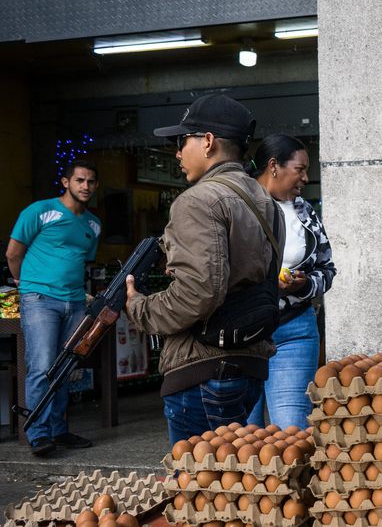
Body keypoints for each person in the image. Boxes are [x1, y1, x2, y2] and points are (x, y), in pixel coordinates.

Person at [124, 94, 283, 444]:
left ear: (208, 141)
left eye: (183, 141)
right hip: (249, 364)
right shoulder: (265, 202)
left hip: (204, 368)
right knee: (228, 488)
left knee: (197, 489)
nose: (178, 153)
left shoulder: (197, 201)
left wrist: (139, 307)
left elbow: (199, 292)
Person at [6, 160, 101, 456]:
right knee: (42, 366)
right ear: (66, 182)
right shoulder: (39, 211)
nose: (85, 186)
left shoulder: (93, 224)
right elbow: (13, 253)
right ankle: (38, 434)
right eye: (79, 180)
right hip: (40, 300)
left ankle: (59, 431)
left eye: (90, 182)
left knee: (64, 367)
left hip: (74, 301)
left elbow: (83, 261)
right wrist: (27, 285)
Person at [245, 134, 337, 430]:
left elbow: (327, 269)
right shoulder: (237, 206)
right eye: (300, 169)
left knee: (291, 434)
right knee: (242, 436)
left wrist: (304, 285)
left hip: (294, 330)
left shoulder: (304, 212)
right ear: (274, 166)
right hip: (240, 335)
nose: (306, 178)